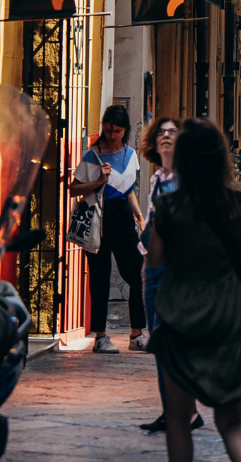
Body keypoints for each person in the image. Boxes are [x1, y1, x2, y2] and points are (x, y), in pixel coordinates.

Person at [145, 117, 241, 462]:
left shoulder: (168, 207)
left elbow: (155, 260)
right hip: (229, 316)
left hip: (180, 317)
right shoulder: (236, 203)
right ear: (221, 158)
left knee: (177, 419)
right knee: (231, 422)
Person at [136, 117, 206, 433]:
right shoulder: (156, 179)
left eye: (172, 132)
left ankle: (185, 413)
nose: (165, 136)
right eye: (160, 132)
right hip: (152, 268)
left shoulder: (187, 177)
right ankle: (174, 411)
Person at [69, 105, 147, 354]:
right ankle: (100, 337)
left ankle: (137, 334)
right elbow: (74, 189)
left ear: (125, 130)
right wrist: (98, 181)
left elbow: (130, 191)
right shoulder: (92, 156)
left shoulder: (130, 155)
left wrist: (139, 215)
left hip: (123, 217)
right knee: (100, 276)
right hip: (98, 218)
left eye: (118, 130)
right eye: (109, 129)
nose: (112, 134)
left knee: (138, 273)